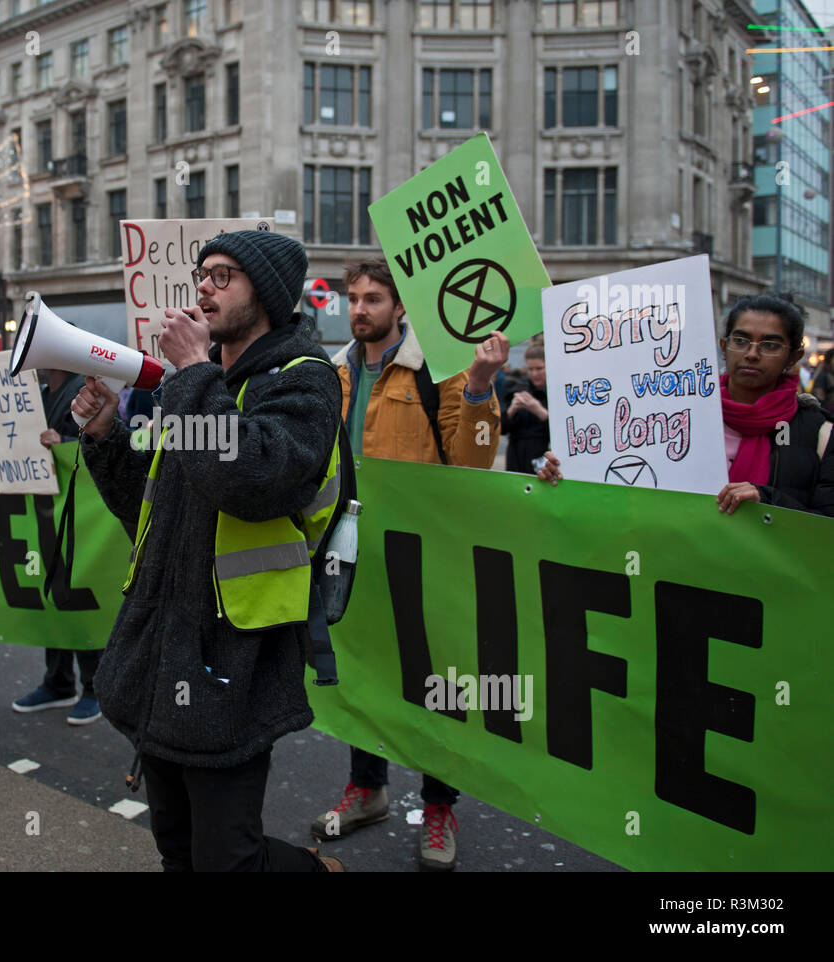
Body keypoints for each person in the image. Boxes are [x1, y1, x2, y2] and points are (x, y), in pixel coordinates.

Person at [73, 229, 345, 872]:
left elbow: (249, 480)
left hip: (234, 657)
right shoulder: (204, 385)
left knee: (227, 859)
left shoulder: (304, 383)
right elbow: (149, 507)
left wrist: (193, 373)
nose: (203, 287)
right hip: (163, 649)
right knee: (178, 846)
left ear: (269, 294)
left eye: (224, 276)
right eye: (202, 273)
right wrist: (107, 435)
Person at [311, 257, 507, 871]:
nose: (361, 308)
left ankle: (439, 807)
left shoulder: (439, 371)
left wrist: (477, 387)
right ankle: (366, 789)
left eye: (374, 298)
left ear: (400, 307)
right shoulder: (335, 372)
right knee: (360, 669)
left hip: (424, 557)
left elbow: (473, 462)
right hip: (350, 554)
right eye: (354, 298)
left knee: (433, 681)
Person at [538, 292, 834, 517]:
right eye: (741, 340)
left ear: (793, 357)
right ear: (723, 346)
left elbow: (825, 525)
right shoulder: (670, 411)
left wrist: (767, 501)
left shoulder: (818, 433)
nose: (752, 354)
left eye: (769, 345)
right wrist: (567, 473)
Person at [0, 368, 102, 726]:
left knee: (77, 593)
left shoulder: (82, 391)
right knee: (51, 594)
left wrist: (66, 443)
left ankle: (94, 687)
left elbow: (105, 443)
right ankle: (58, 681)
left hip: (76, 510)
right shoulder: (38, 394)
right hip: (42, 508)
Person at [502, 343, 550, 474]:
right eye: (530, 369)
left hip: (543, 455)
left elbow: (564, 432)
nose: (535, 374)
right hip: (515, 456)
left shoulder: (556, 393)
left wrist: (540, 411)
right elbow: (500, 428)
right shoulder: (517, 389)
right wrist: (512, 410)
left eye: (539, 368)